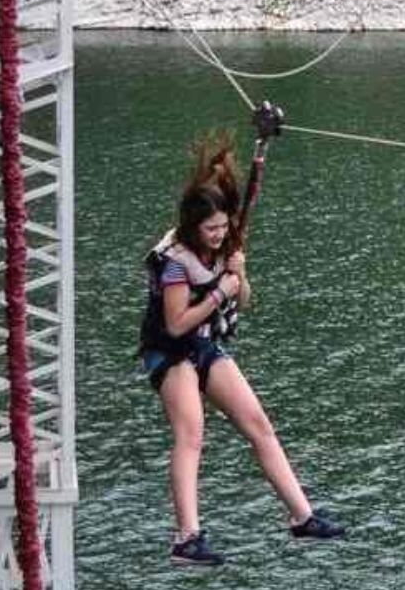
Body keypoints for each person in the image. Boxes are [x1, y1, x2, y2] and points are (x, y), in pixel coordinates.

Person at [138, 132, 343, 566]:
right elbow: (175, 324)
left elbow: (242, 300)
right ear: (193, 229)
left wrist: (239, 277)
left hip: (205, 344)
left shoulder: (224, 247)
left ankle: (301, 516)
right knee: (191, 433)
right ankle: (186, 537)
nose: (218, 234)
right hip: (170, 350)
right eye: (210, 230)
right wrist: (217, 293)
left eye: (222, 227)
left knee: (259, 425)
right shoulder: (176, 261)